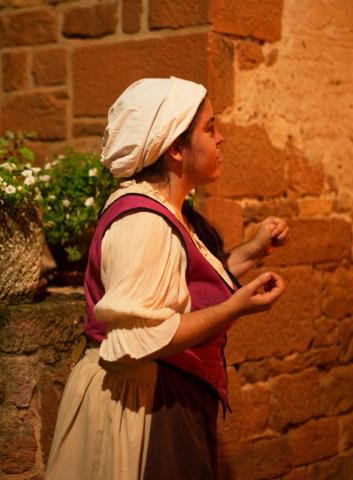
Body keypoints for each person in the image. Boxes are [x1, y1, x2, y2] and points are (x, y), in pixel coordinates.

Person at [46, 77, 290, 480]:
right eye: (209, 129)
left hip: (161, 392)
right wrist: (235, 308)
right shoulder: (143, 221)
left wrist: (251, 251)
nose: (221, 137)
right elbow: (140, 338)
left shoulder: (166, 209)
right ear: (176, 149)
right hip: (139, 408)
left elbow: (179, 288)